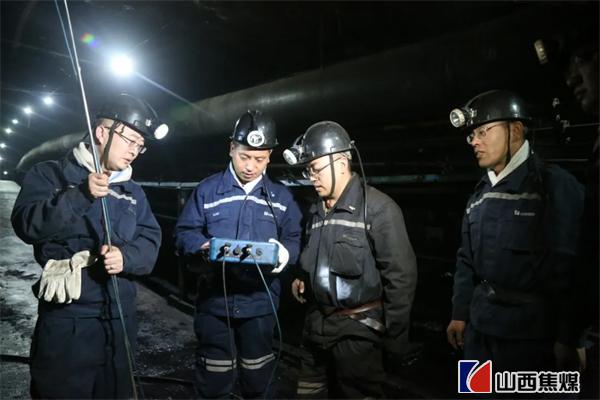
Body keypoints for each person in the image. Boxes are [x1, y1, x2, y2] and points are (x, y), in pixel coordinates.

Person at [11, 93, 164, 398]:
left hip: (119, 315)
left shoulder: (133, 192)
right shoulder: (50, 174)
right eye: (130, 140)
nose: (134, 151)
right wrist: (80, 195)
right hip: (68, 315)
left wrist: (126, 257)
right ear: (102, 133)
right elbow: (27, 225)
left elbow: (150, 239)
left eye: (140, 145)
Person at [446, 89, 585, 373]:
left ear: (516, 130)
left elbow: (575, 267)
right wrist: (459, 313)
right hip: (480, 333)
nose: (474, 141)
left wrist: (570, 338)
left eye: (483, 131)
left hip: (534, 338)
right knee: (474, 392)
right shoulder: (479, 196)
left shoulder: (553, 187)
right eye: (472, 135)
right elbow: (465, 261)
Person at [283, 121, 417, 398]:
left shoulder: (379, 210)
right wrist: (302, 276)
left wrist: (394, 341)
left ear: (342, 163)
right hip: (316, 328)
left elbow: (401, 278)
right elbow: (315, 255)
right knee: (309, 393)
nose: (311, 177)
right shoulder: (316, 211)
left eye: (316, 169)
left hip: (358, 335)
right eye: (308, 171)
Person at [174, 110, 302, 398]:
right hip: (214, 305)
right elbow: (183, 233)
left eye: (259, 159)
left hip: (260, 306)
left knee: (258, 380)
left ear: (269, 156)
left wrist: (285, 254)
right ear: (231, 148)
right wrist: (201, 247)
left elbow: (294, 238)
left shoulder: (282, 197)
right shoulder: (208, 191)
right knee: (214, 379)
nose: (250, 166)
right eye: (244, 156)